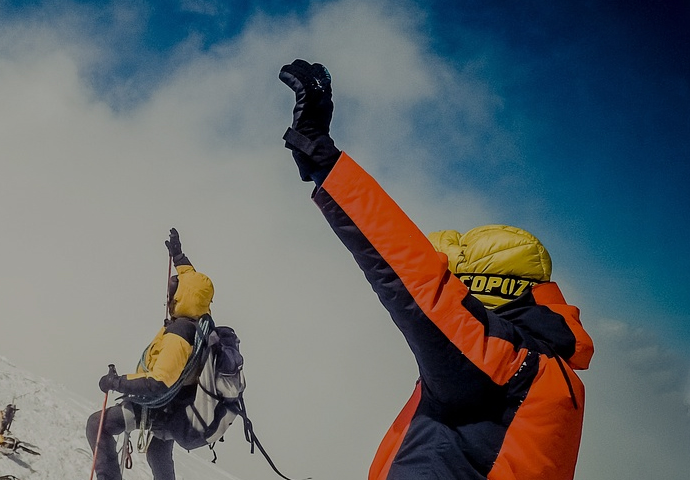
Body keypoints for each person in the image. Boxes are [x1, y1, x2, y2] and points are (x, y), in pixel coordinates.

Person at [276, 59, 595, 480]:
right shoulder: (551, 378)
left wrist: (324, 159)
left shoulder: (506, 365)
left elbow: (419, 280)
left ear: (488, 288)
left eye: (463, 286)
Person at [88, 229, 212, 480]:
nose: (169, 294)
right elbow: (191, 282)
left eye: (173, 291)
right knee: (157, 451)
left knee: (97, 425)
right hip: (180, 407)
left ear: (182, 296)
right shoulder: (201, 320)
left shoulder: (179, 335)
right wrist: (178, 256)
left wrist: (115, 382)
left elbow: (158, 383)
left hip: (161, 409)